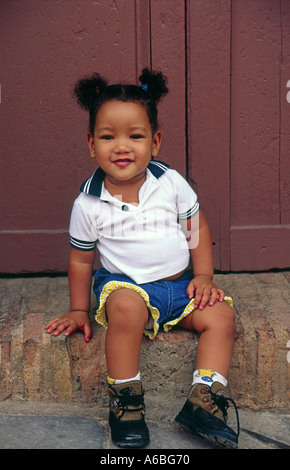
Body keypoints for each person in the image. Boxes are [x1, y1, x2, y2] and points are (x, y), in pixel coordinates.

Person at [45, 68, 239, 449]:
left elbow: (196, 228)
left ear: (155, 141)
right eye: (107, 136)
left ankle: (204, 399)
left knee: (221, 315)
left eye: (135, 136)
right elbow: (82, 261)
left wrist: (203, 275)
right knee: (125, 309)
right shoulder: (87, 203)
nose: (121, 146)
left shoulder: (169, 182)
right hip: (127, 287)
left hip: (179, 286)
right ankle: (126, 401)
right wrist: (79, 310)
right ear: (90, 143)